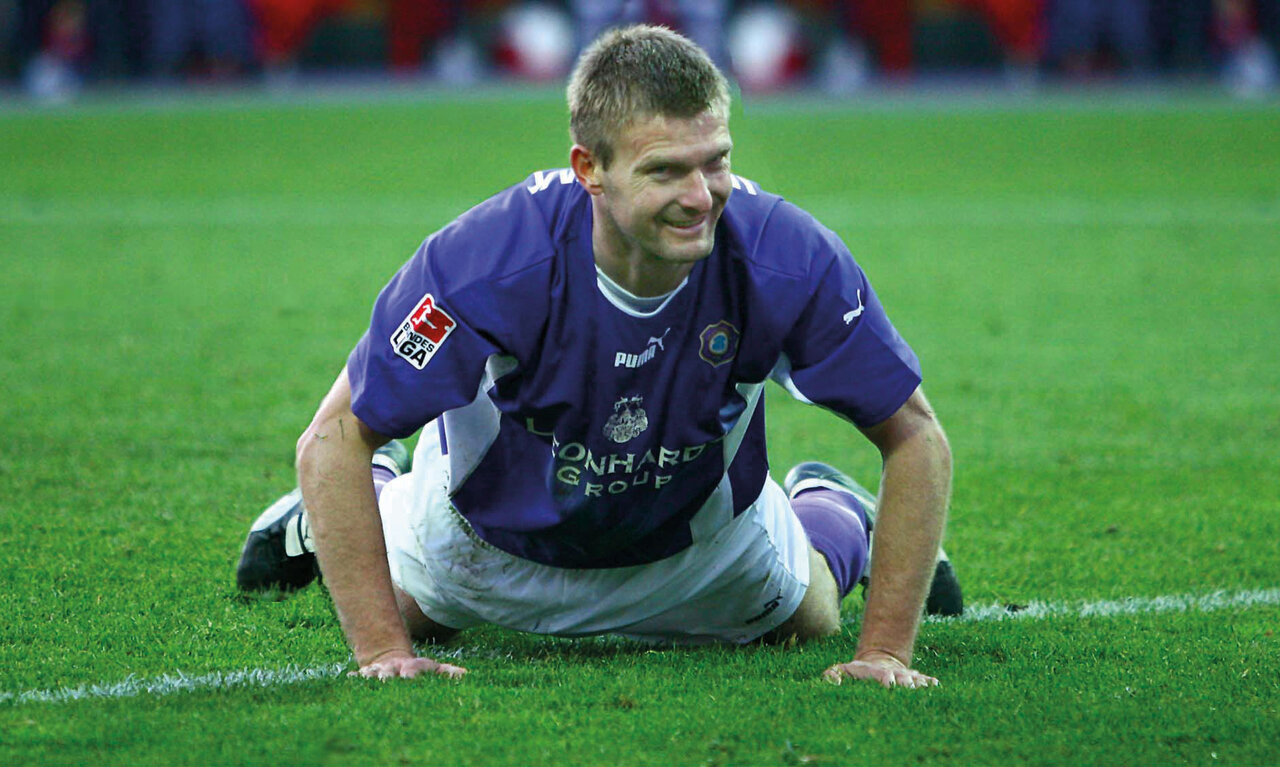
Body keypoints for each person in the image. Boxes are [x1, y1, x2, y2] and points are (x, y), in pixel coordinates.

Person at [236, 23, 962, 689]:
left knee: (813, 619)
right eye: (665, 171)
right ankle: (371, 491)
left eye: (715, 162)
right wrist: (382, 654)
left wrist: (885, 653)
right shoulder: (486, 260)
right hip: (490, 546)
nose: (701, 196)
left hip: (695, 551)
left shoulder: (787, 256)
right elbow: (333, 436)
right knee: (387, 604)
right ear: (589, 168)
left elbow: (916, 434)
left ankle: (833, 506)